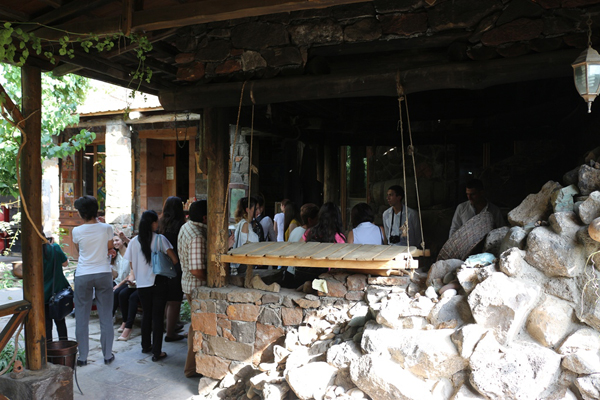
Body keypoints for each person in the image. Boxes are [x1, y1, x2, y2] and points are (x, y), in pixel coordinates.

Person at [124, 210, 178, 362]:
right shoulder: (160, 239)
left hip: (142, 284)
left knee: (147, 315)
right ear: (153, 223)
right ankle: (157, 352)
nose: (158, 224)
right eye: (156, 222)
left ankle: (145, 345)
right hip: (158, 282)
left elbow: (131, 264)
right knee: (158, 317)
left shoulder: (134, 242)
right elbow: (174, 259)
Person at [72, 195, 115, 366]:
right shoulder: (107, 228)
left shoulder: (76, 231)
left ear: (81, 213)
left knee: (81, 318)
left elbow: (79, 252)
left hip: (83, 274)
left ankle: (82, 357)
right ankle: (107, 355)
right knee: (106, 316)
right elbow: (110, 248)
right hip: (103, 273)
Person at [178, 200, 208, 378]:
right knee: (197, 328)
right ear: (205, 217)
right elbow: (196, 270)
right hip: (197, 287)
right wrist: (212, 280)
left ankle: (193, 366)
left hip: (189, 285)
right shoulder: (197, 235)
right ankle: (190, 368)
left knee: (194, 327)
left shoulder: (186, 227)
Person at [158, 196, 187, 342]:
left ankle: (170, 325)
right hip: (175, 266)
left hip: (161, 266)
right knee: (175, 300)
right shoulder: (180, 226)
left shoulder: (160, 225)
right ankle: (170, 333)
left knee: (166, 299)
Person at [43, 236, 70, 342]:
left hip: (42, 294)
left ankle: (49, 349)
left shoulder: (33, 252)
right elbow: (65, 263)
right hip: (57, 292)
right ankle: (64, 347)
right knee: (60, 322)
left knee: (46, 325)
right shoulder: (55, 248)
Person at [230, 197, 260, 275]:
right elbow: (244, 247)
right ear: (248, 210)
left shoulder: (246, 224)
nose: (258, 211)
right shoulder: (245, 225)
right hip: (244, 265)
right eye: (256, 209)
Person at [111, 234, 132, 334]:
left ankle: (124, 321)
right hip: (118, 281)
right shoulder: (116, 255)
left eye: (117, 240)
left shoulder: (130, 254)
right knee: (106, 289)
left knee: (118, 293)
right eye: (113, 241)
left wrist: (118, 285)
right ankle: (109, 316)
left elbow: (131, 274)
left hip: (127, 281)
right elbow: (115, 274)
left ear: (123, 241)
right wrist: (108, 262)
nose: (115, 243)